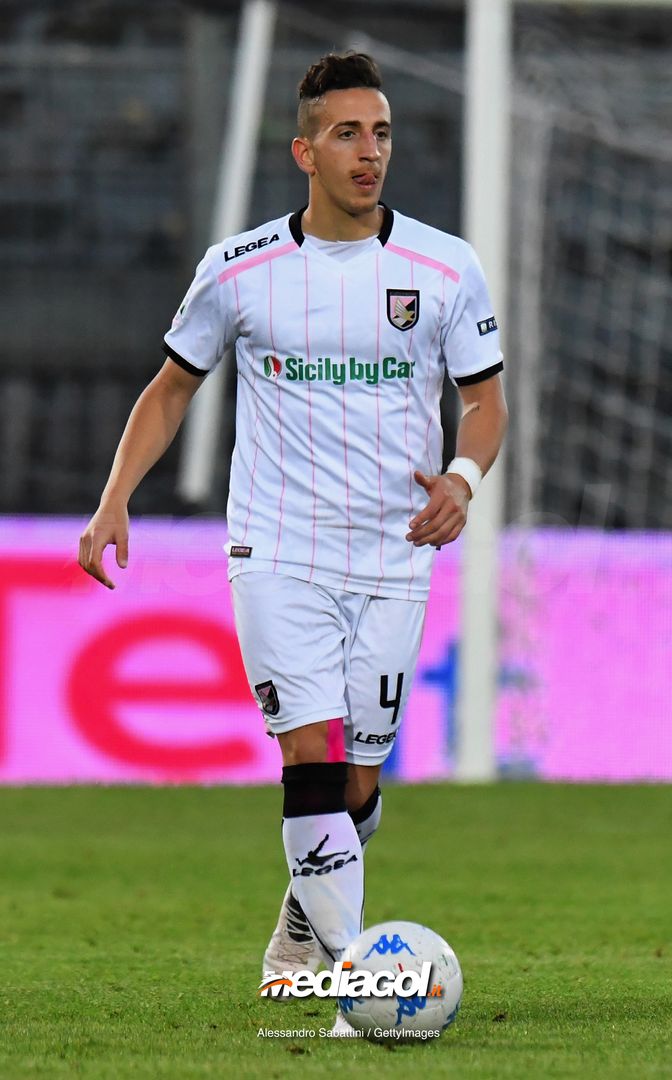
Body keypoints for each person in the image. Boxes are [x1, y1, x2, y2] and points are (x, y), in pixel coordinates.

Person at [78, 51, 508, 1010]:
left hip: (397, 551)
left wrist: (465, 480)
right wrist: (115, 497)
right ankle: (354, 983)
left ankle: (296, 944)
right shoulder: (239, 270)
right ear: (304, 151)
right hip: (276, 548)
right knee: (309, 750)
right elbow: (170, 389)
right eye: (348, 134)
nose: (370, 153)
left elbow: (485, 405)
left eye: (383, 132)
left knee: (356, 784)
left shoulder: (445, 268)